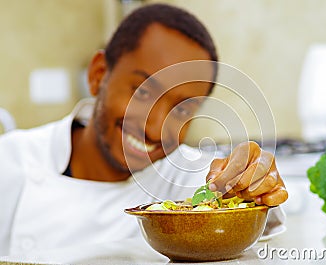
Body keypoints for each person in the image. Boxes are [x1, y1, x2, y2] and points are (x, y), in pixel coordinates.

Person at [0, 3, 288, 256]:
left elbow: (251, 217)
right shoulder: (11, 162)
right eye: (142, 92)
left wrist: (254, 185)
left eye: (182, 110)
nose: (155, 127)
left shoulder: (192, 179)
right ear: (99, 75)